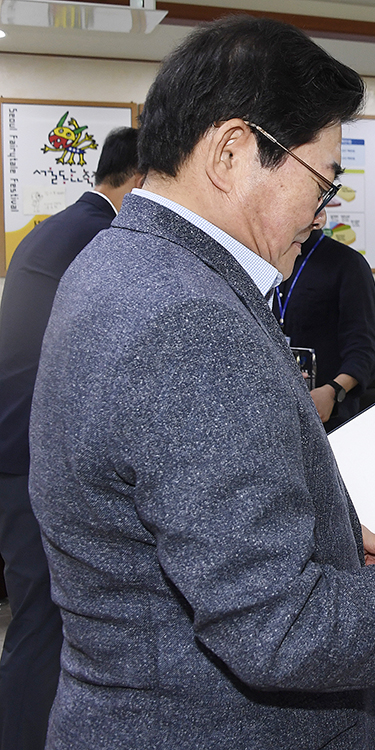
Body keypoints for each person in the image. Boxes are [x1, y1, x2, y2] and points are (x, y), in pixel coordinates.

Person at [28, 17, 375, 749]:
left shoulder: (115, 262)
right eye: (323, 179)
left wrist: (333, 540)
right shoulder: (189, 319)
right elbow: (277, 627)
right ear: (233, 151)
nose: (324, 209)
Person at [0, 125, 142, 750]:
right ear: (140, 181)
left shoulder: (56, 228)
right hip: (37, 456)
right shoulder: (102, 238)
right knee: (44, 625)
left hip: (16, 449)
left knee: (39, 618)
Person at [273, 222, 375, 430]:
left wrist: (332, 391)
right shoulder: (269, 260)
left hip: (330, 414)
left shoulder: (348, 263)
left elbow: (363, 351)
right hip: (279, 414)